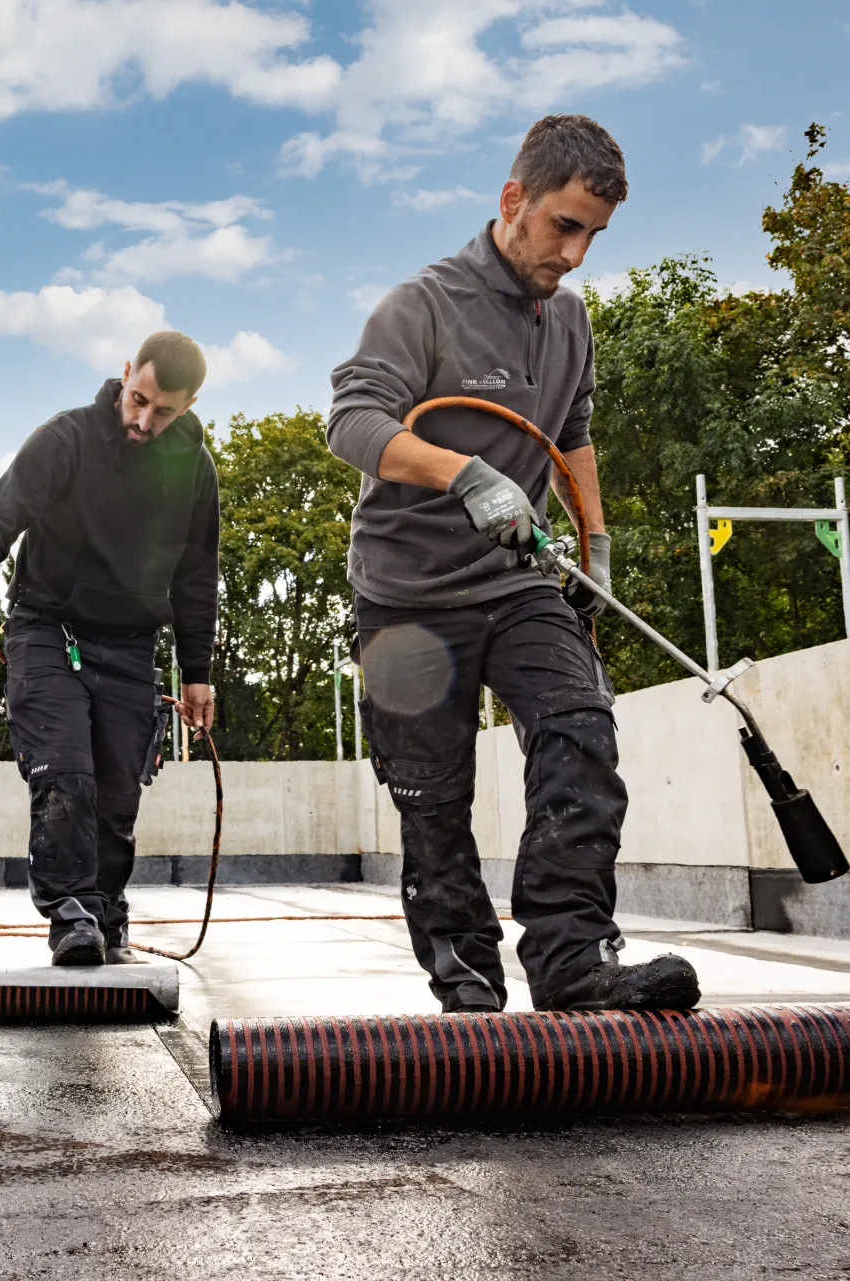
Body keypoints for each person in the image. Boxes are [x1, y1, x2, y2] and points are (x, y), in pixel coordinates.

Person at [327, 114, 701, 1013]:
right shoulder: (421, 305)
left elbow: (572, 433)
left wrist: (596, 542)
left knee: (581, 730)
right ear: (512, 200)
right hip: (406, 599)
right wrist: (465, 474)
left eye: (592, 236)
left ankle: (572, 959)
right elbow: (352, 424)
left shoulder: (568, 320)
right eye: (563, 226)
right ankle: (467, 983)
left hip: (518, 580)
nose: (574, 254)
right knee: (433, 797)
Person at [0, 331, 219, 966]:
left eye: (162, 412)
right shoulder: (67, 438)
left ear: (188, 406)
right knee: (64, 775)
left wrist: (197, 671)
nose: (142, 420)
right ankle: (70, 911)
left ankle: (106, 904)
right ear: (126, 371)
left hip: (132, 644)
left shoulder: (194, 466)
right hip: (48, 628)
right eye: (137, 399)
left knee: (118, 793)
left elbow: (196, 574)